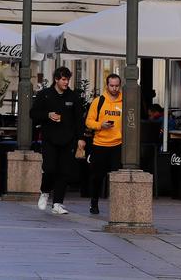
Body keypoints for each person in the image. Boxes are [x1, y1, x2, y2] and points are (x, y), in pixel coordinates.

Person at [31, 66, 83, 216]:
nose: (66, 83)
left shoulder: (73, 97)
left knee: (64, 171)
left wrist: (80, 138)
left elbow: (79, 119)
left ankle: (58, 203)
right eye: (64, 80)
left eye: (68, 79)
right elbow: (33, 113)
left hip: (68, 140)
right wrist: (47, 115)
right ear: (56, 79)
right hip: (49, 139)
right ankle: (45, 191)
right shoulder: (45, 95)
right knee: (50, 168)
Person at [79, 72, 125, 216]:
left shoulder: (125, 102)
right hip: (100, 144)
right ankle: (94, 202)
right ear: (107, 85)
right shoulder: (98, 101)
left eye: (117, 86)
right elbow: (88, 121)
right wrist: (100, 125)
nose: (114, 88)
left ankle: (118, 204)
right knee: (97, 176)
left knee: (117, 176)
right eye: (112, 85)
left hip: (118, 144)